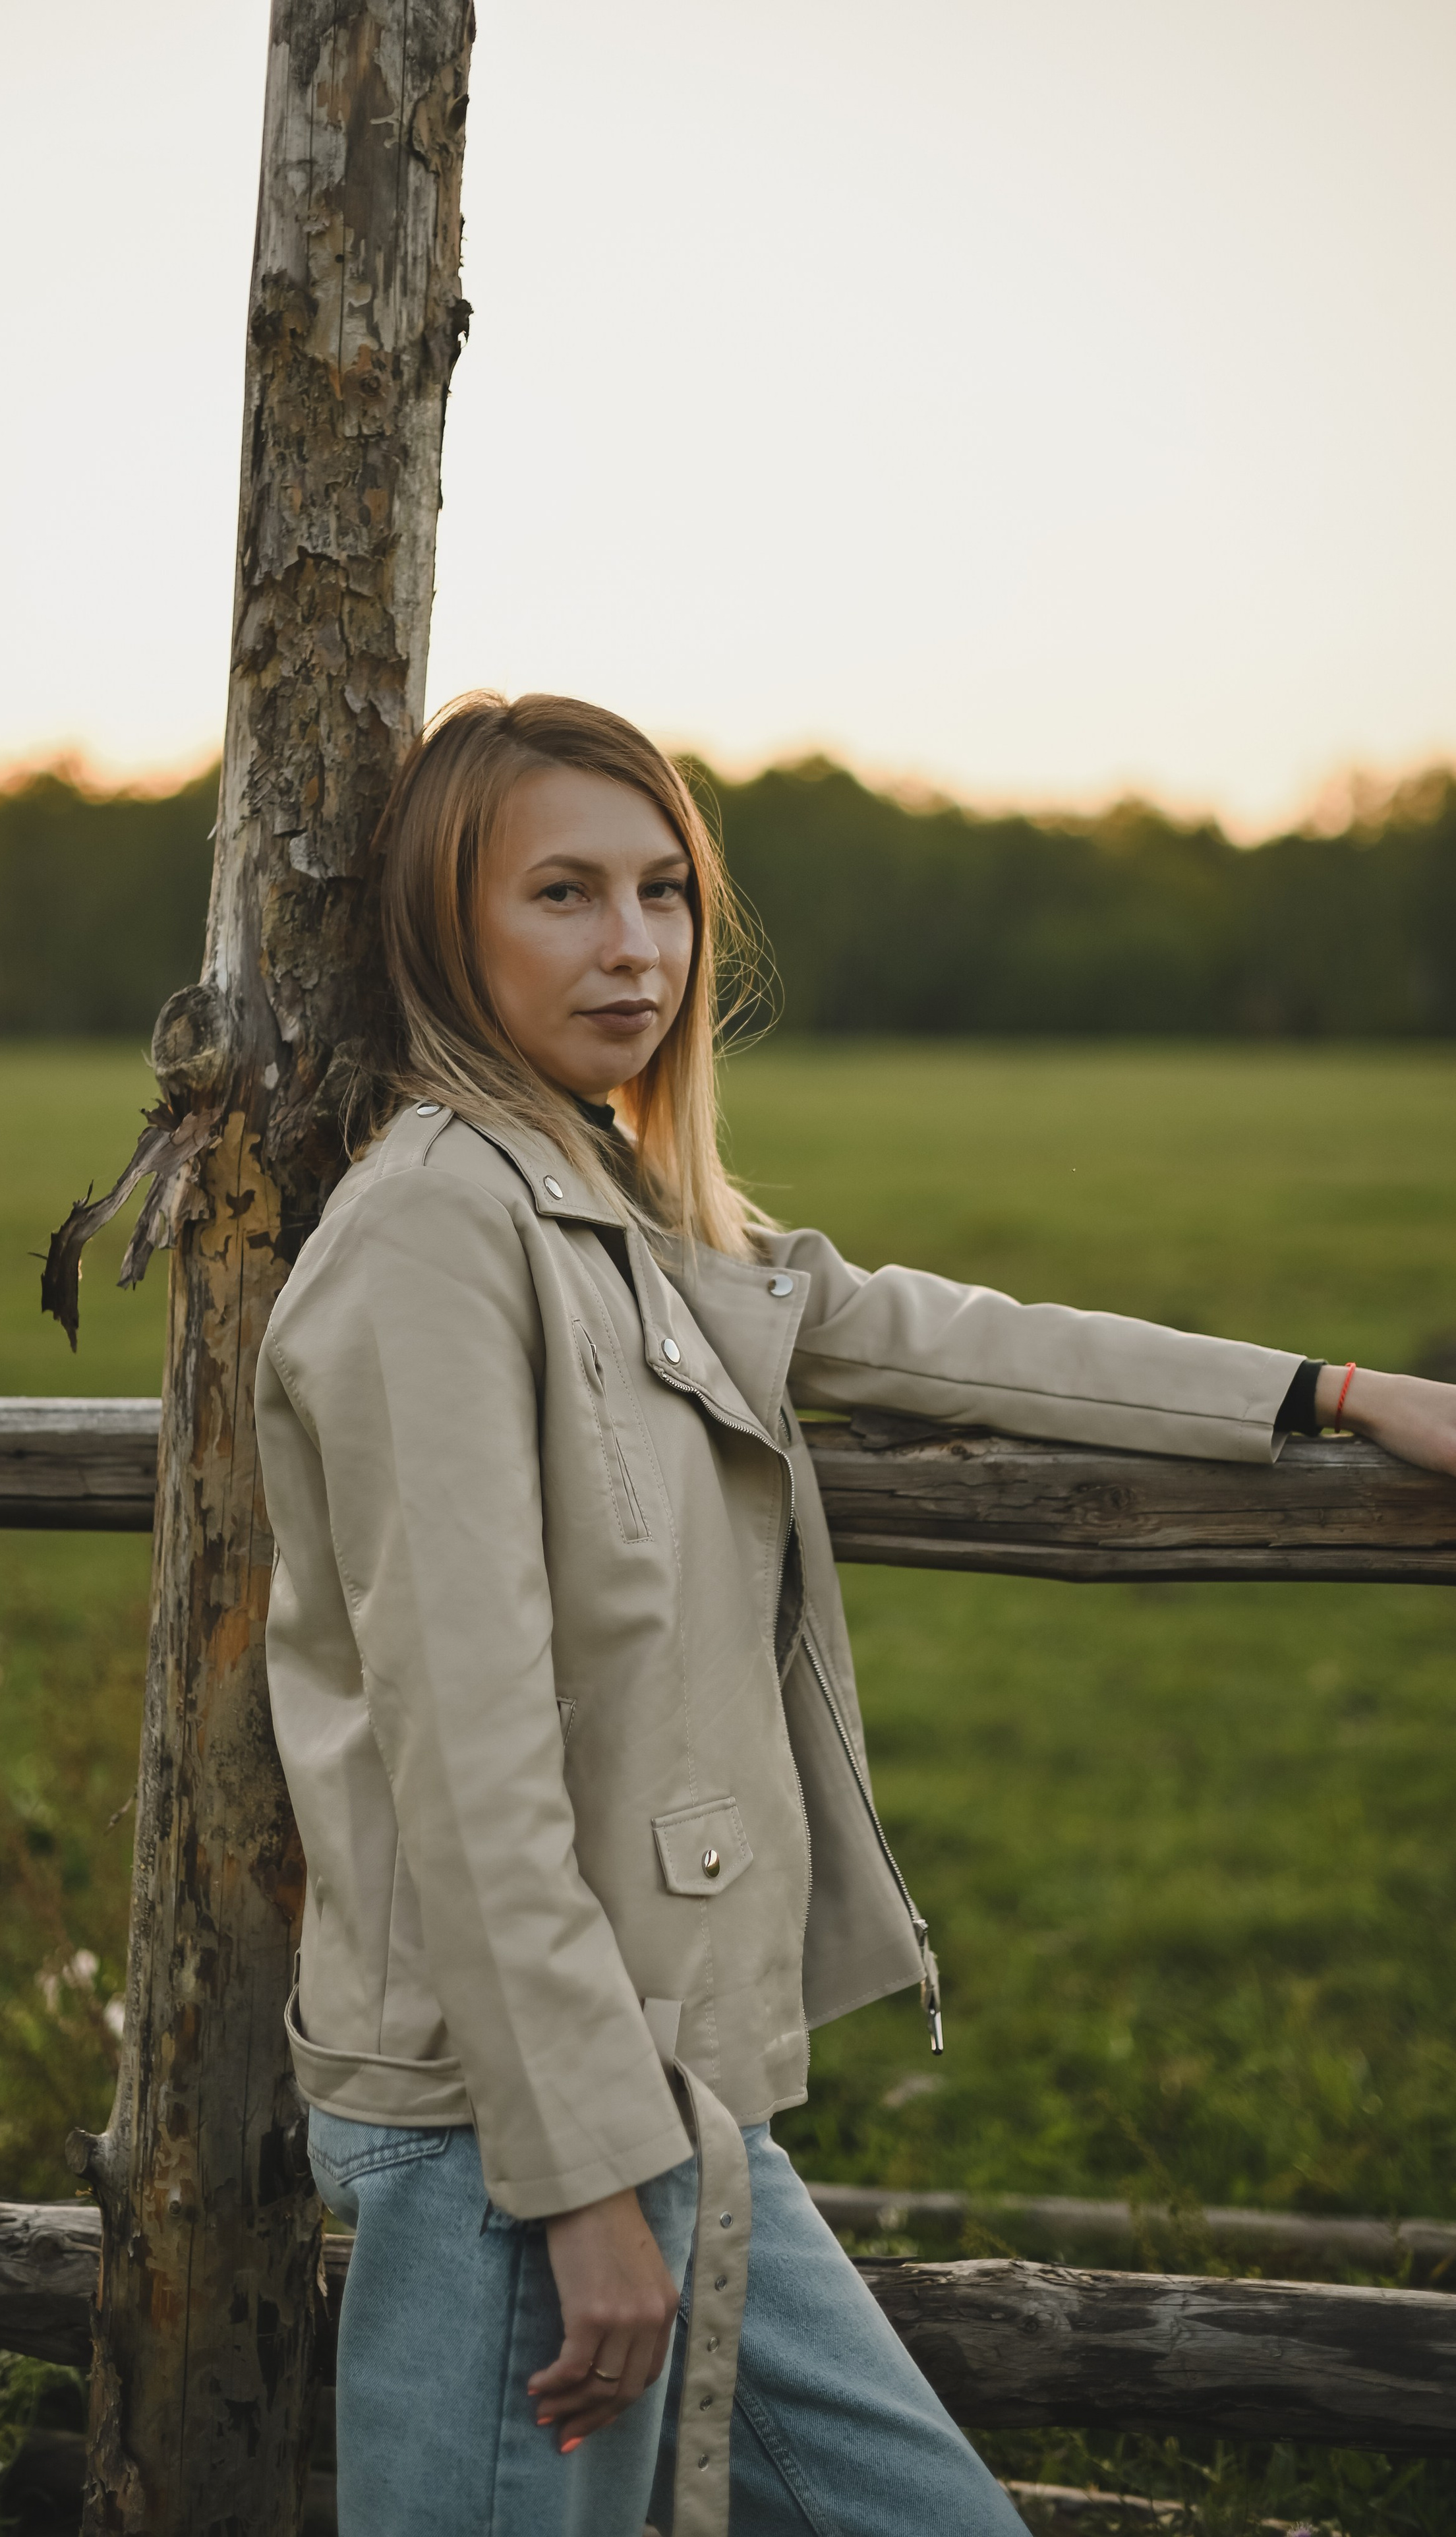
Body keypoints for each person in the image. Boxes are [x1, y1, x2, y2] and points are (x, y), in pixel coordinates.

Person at [254, 692, 1456, 2537]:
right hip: (513, 2120)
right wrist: (576, 2180)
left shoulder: (620, 1209)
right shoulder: (434, 1234)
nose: (635, 948)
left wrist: (1334, 1392)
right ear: (443, 927)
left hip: (669, 2092)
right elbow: (464, 1755)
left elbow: (943, 1337)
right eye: (565, 894)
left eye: (664, 892)